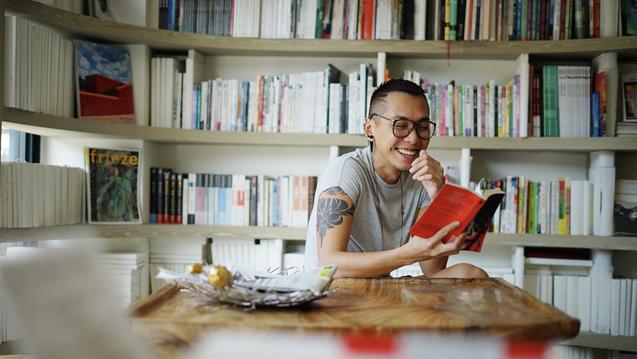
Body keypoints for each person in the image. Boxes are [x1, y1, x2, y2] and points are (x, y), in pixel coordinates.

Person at [304, 79, 488, 279]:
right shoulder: (347, 171)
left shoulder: (421, 176)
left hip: (381, 289)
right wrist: (408, 254)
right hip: (334, 290)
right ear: (369, 128)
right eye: (400, 125)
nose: (414, 139)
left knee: (470, 274)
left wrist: (438, 195)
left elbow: (433, 270)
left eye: (423, 126)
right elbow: (330, 263)